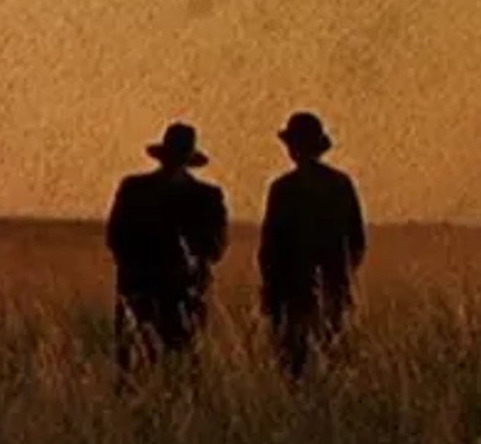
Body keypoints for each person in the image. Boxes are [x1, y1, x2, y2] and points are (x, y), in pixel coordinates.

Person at [105, 121, 229, 382]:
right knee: (145, 368)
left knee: (177, 369)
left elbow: (215, 247)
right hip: (152, 290)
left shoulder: (137, 189)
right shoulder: (203, 196)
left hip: (174, 292)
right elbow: (116, 238)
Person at [258, 112, 368, 378]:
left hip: (291, 293)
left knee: (292, 367)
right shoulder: (341, 185)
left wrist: (271, 292)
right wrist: (341, 276)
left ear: (292, 148)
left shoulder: (282, 188)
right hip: (332, 289)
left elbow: (270, 248)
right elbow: (356, 241)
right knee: (329, 361)